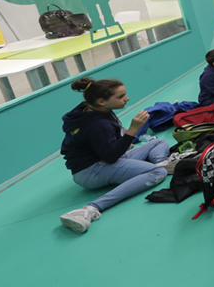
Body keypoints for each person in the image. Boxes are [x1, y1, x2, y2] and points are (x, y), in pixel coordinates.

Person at [58, 77, 173, 233]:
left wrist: (123, 137)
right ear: (101, 101)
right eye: (120, 97)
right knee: (158, 173)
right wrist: (133, 130)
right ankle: (90, 209)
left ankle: (161, 162)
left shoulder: (90, 107)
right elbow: (110, 157)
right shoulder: (97, 125)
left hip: (103, 159)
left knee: (157, 143)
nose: (127, 98)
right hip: (90, 171)